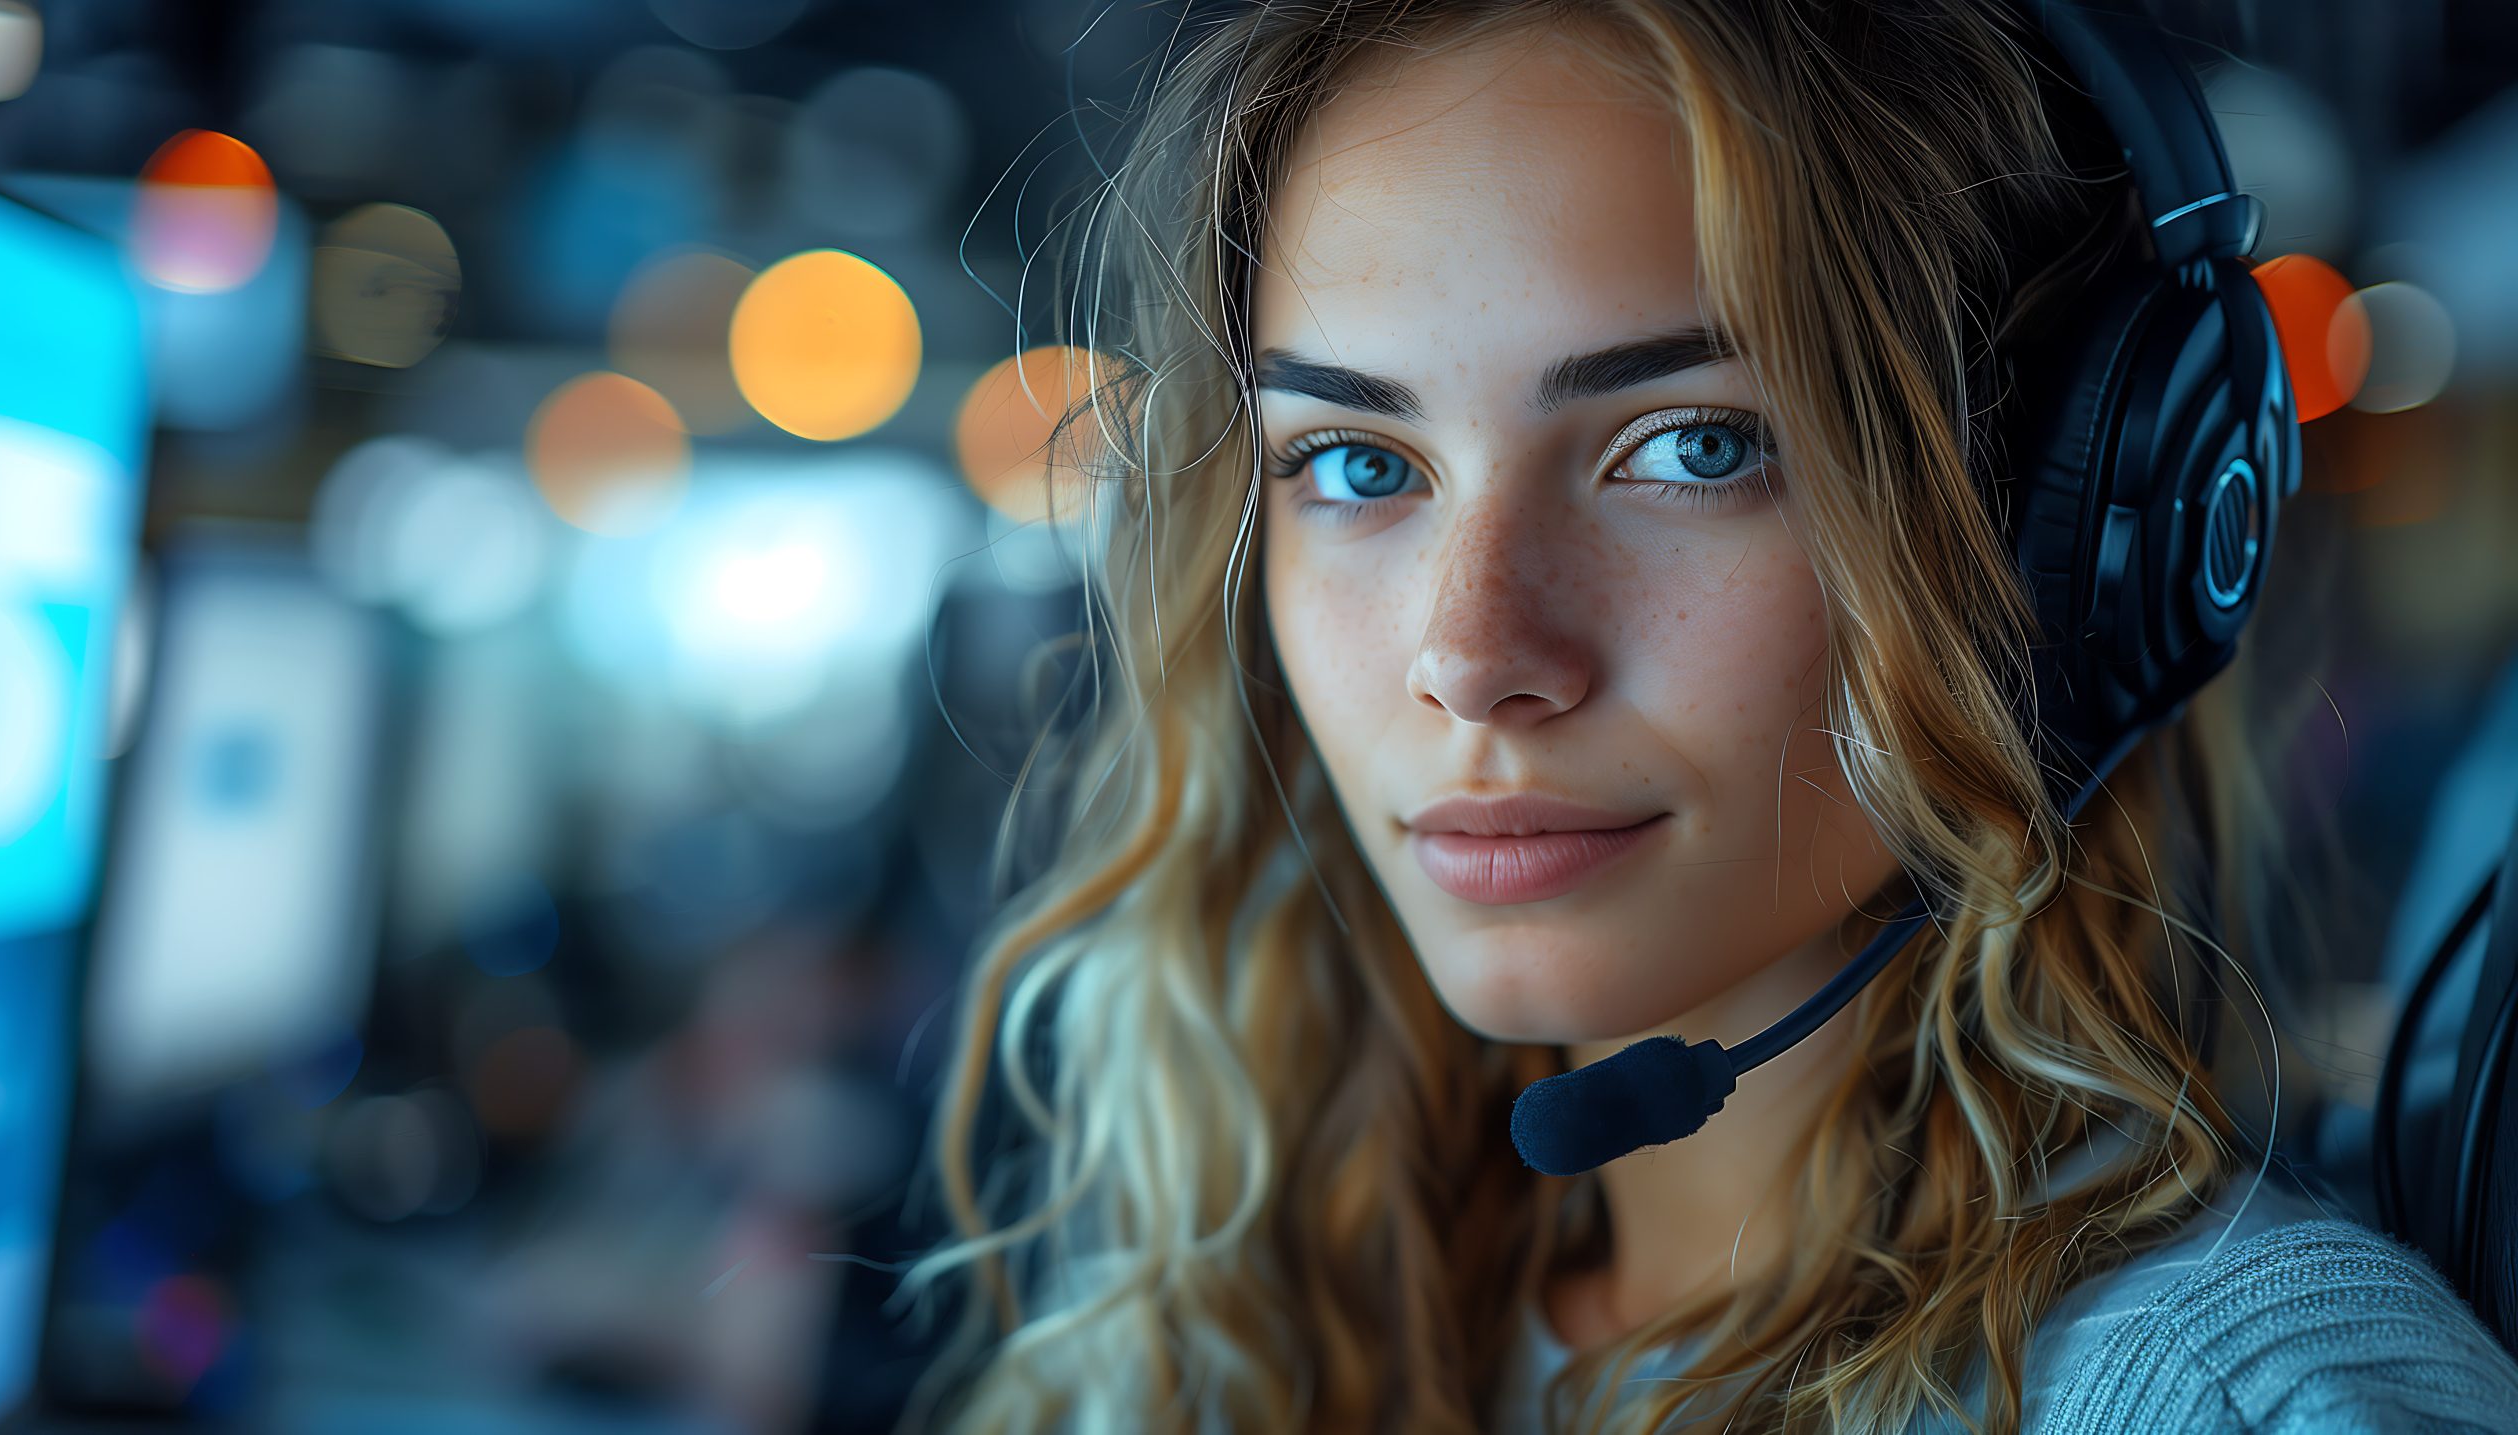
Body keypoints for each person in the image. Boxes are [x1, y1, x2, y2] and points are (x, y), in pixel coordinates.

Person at [894, 2, 2518, 1430]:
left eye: (1691, 449)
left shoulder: (2218, 1401)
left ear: (2070, 543)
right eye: (1357, 465)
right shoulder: (1228, 1317)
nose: (1472, 657)